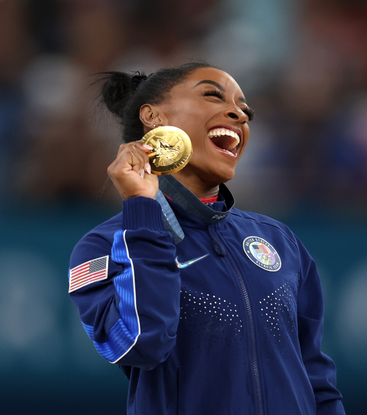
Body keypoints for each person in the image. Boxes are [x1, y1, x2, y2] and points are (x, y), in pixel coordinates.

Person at [68, 61, 346, 415]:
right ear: (152, 116)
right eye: (213, 96)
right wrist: (141, 209)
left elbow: (317, 381)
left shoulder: (278, 240)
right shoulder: (104, 246)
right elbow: (142, 342)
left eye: (246, 110)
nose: (240, 114)